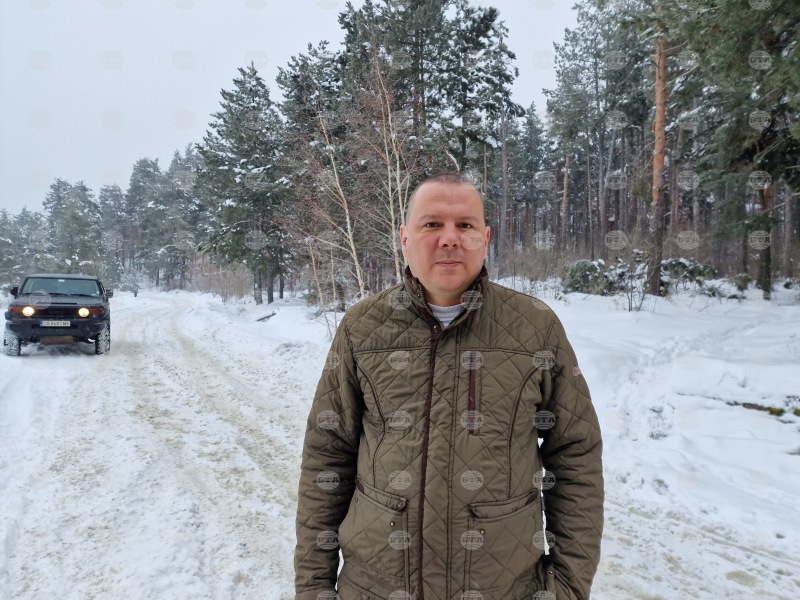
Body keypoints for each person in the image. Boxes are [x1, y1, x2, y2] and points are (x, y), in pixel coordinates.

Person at [295, 173, 604, 600]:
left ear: (485, 238)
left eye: (465, 225)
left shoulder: (536, 328)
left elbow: (575, 456)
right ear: (404, 237)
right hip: (373, 587)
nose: (449, 239)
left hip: (504, 589)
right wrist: (314, 587)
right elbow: (326, 457)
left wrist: (568, 586)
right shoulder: (362, 328)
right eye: (432, 224)